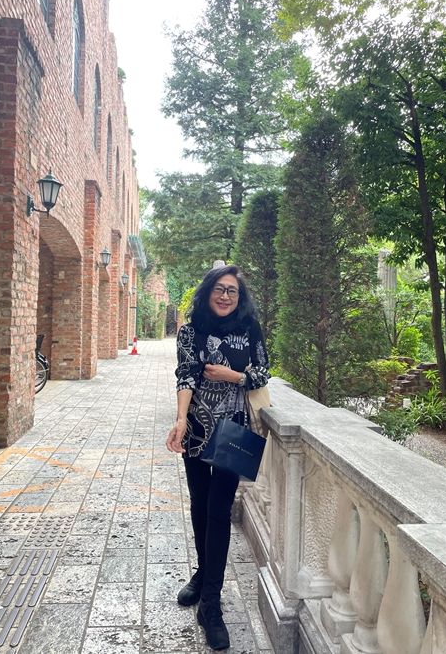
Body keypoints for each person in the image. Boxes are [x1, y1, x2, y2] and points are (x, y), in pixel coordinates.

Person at [166, 264, 270, 651]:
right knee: (199, 503)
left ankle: (211, 602)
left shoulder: (250, 329)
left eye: (232, 291)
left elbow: (263, 372)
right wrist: (180, 419)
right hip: (197, 428)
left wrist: (234, 377)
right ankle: (203, 573)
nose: (226, 296)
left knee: (219, 510)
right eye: (219, 289)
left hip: (234, 431)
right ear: (208, 291)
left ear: (240, 297)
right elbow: (186, 376)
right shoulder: (191, 331)